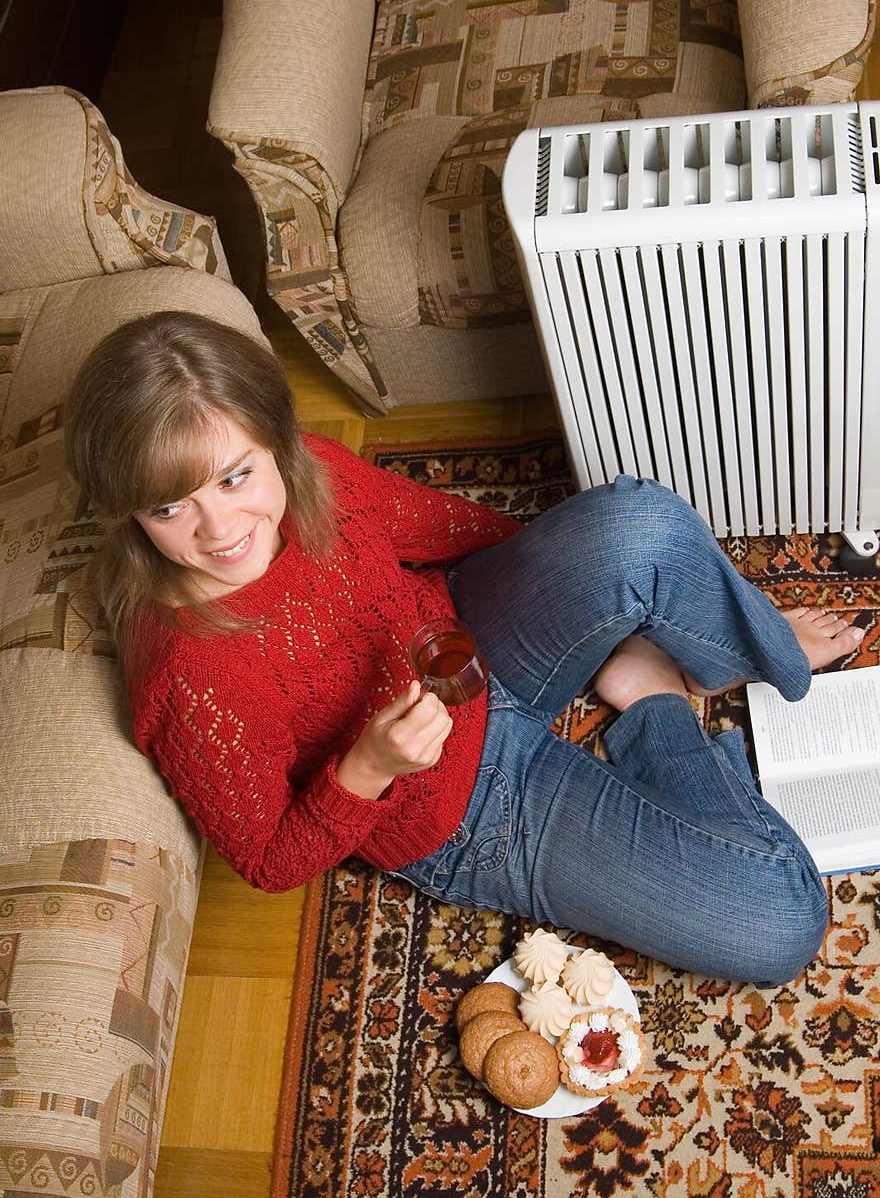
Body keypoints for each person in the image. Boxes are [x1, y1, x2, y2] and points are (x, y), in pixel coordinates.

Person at [64, 311, 865, 988]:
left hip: (474, 637)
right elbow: (272, 858)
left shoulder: (316, 469)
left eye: (236, 477)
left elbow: (442, 527)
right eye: (171, 506)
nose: (219, 528)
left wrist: (569, 583)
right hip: (460, 807)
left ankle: (744, 645)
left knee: (636, 521)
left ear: (275, 440)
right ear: (130, 512)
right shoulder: (188, 676)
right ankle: (656, 706)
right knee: (781, 920)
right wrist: (367, 768)